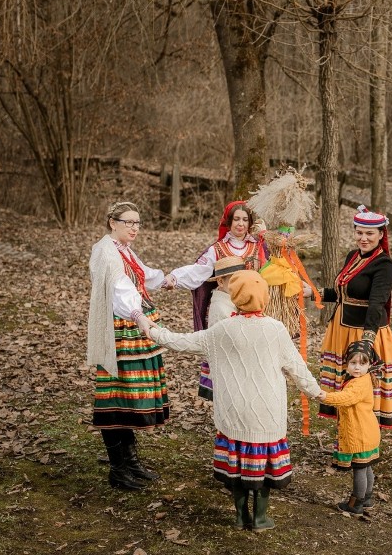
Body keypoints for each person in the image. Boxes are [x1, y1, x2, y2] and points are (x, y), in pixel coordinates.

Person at [140, 270, 326, 532]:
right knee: (262, 470)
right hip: (267, 413)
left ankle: (241, 517)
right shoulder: (276, 329)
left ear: (235, 297)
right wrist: (318, 392)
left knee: (237, 469)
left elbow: (179, 342)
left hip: (233, 412)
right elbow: (298, 368)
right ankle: (260, 518)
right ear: (265, 297)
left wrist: (153, 330)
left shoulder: (220, 331)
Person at [86, 201, 171, 491]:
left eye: (138, 223)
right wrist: (138, 316)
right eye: (128, 222)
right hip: (117, 331)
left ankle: (131, 461)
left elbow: (143, 275)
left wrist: (171, 279)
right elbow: (120, 288)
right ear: (113, 222)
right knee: (116, 397)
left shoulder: (124, 249)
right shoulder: (104, 251)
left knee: (130, 397)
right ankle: (118, 469)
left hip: (132, 328)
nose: (134, 228)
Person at [318, 205, 392, 429]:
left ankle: (363, 440)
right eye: (359, 232)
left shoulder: (385, 265)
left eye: (369, 234)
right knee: (344, 385)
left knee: (361, 385)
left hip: (365, 331)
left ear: (380, 234)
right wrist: (314, 292)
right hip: (341, 329)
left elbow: (376, 304)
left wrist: (367, 341)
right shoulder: (353, 256)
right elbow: (343, 294)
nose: (364, 238)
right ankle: (346, 434)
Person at [164, 201, 266, 400]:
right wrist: (174, 279)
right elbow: (197, 272)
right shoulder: (218, 249)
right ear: (229, 222)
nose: (240, 224)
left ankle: (248, 399)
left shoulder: (259, 247)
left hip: (253, 309)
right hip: (224, 307)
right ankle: (226, 398)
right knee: (228, 354)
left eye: (245, 220)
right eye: (236, 219)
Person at [321, 340, 382, 516]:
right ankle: (367, 499)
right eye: (353, 363)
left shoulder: (359, 384)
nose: (357, 367)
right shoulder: (362, 379)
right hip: (368, 432)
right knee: (367, 466)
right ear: (346, 363)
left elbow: (346, 398)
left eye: (362, 364)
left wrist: (324, 396)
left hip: (360, 434)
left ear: (370, 365)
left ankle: (356, 504)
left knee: (359, 469)